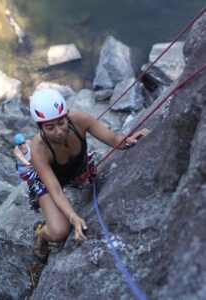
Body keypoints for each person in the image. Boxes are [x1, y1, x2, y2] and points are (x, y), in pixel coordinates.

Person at [23, 88, 150, 263]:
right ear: (40, 127)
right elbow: (56, 191)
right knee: (59, 232)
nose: (59, 131)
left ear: (67, 116)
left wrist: (128, 141)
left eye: (61, 122)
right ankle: (42, 234)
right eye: (50, 127)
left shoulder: (79, 120)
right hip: (47, 183)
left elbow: (113, 139)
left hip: (76, 169)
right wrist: (73, 217)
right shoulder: (39, 150)